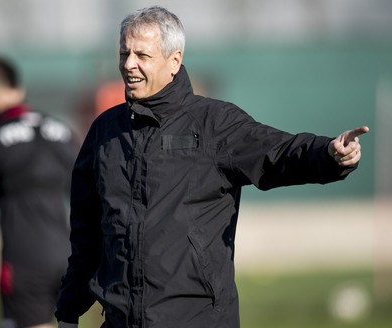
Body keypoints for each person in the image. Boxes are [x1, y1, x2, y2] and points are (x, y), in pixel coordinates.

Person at [55, 6, 369, 328]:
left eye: (142, 55)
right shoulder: (104, 132)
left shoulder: (213, 123)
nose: (129, 64)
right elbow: (87, 233)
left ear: (174, 61)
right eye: (124, 53)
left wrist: (329, 154)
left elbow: (277, 152)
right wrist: (69, 309)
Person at [0, 55, 77, 328]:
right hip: (68, 258)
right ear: (18, 90)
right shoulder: (61, 132)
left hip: (24, 262)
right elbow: (88, 194)